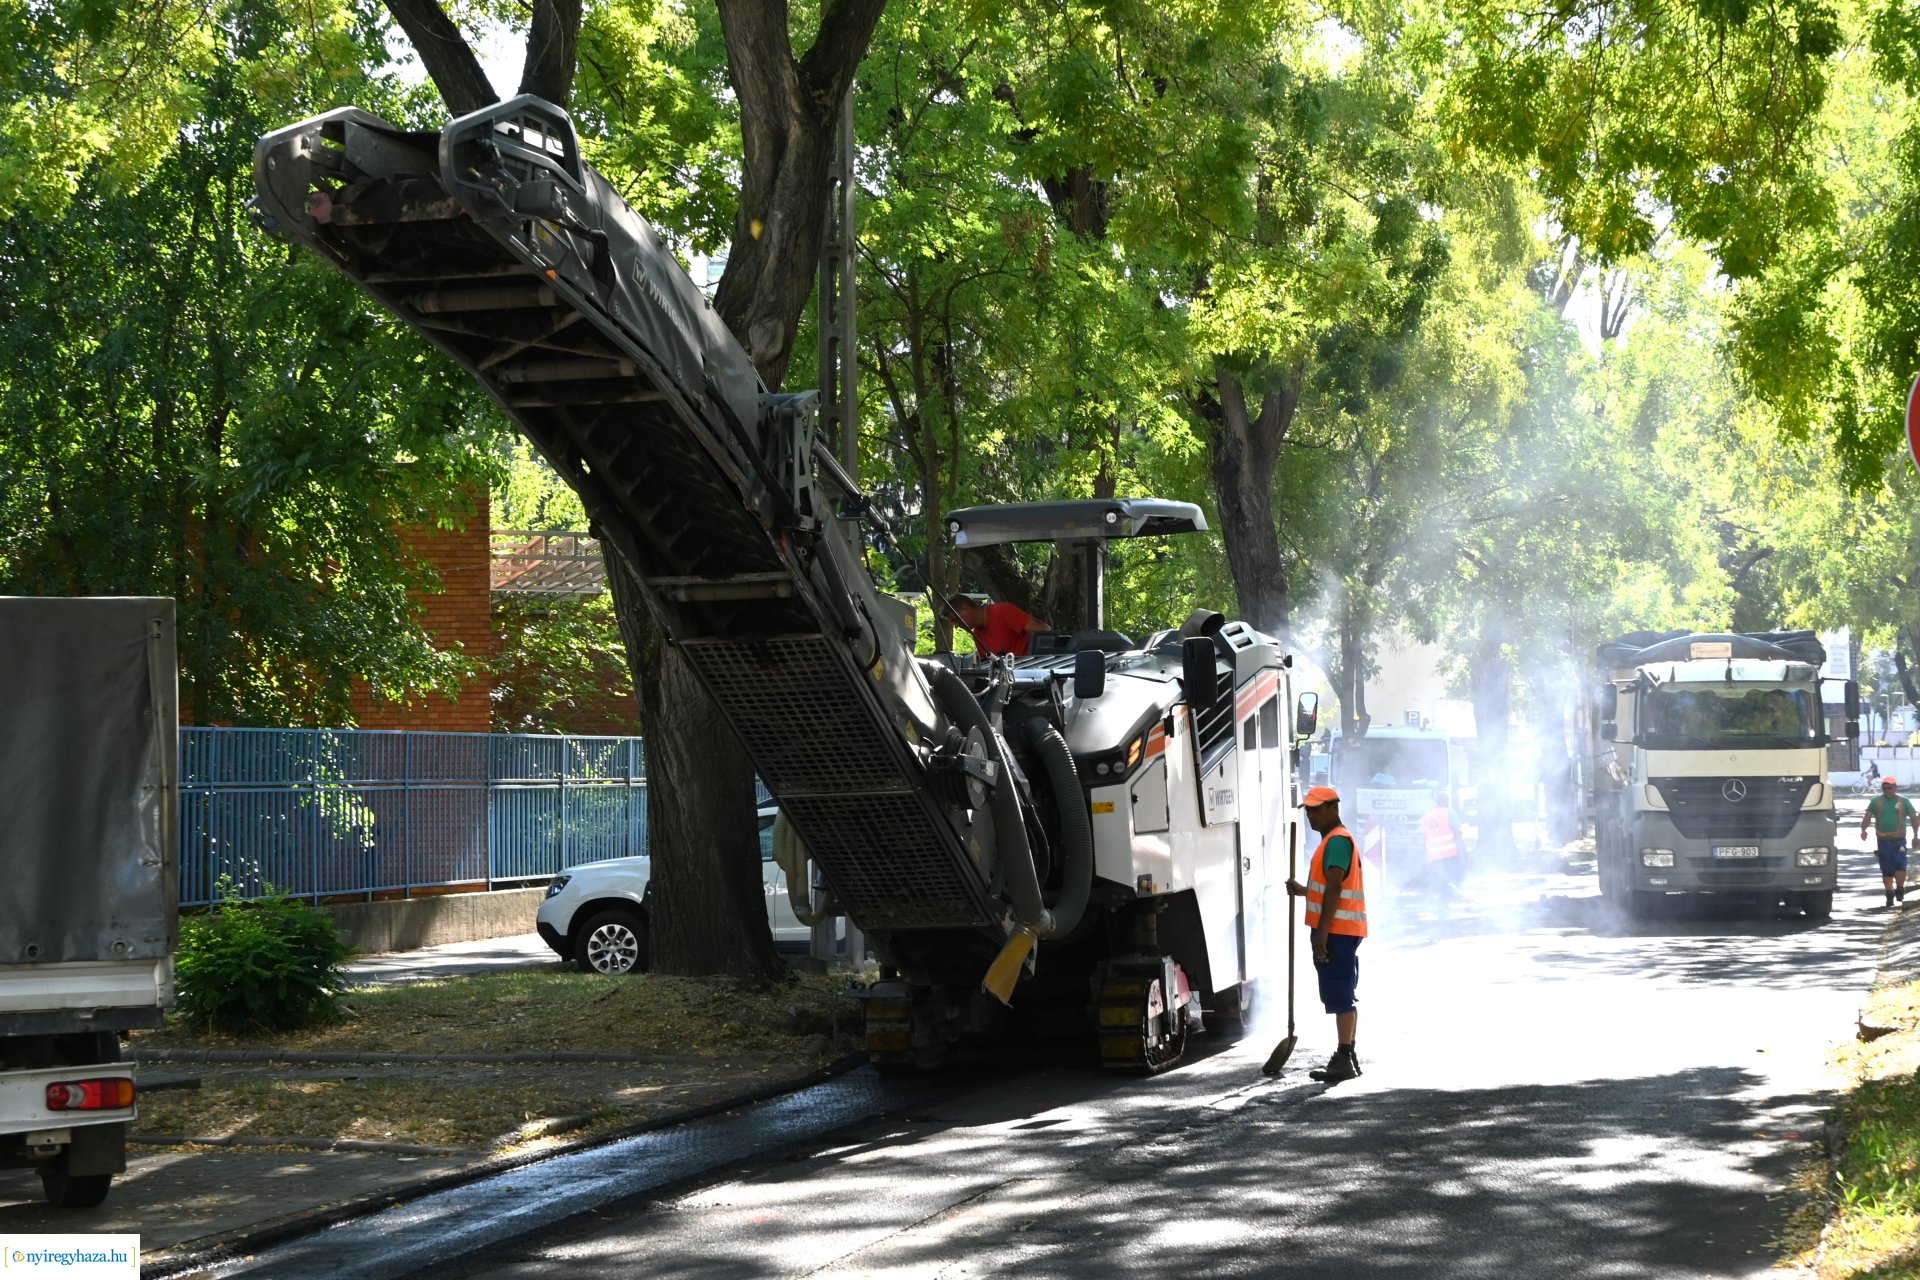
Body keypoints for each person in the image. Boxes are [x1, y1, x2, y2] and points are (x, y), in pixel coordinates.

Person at [1286, 785, 1368, 1084]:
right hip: (1340, 929)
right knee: (1341, 992)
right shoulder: (1334, 840)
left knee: (1340, 995)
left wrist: (1322, 931)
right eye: (1307, 810)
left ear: (1334, 807)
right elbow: (1331, 889)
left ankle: (1344, 1056)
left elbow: (1335, 888)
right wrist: (1304, 892)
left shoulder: (1336, 842)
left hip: (1336, 931)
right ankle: (1348, 1055)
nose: (1311, 815)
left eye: (1317, 809)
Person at [1860, 776, 1919, 907]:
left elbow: (1914, 818)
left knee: (1900, 864)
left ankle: (1899, 888)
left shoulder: (1904, 801)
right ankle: (1889, 893)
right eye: (1884, 788)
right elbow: (1867, 817)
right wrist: (1863, 830)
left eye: (1889, 788)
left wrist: (1916, 836)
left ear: (1895, 788)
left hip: (1899, 840)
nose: (1887, 790)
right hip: (1882, 842)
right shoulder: (1876, 801)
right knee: (1886, 868)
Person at [942, 596, 1050, 658]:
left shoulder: (1003, 612)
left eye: (955, 620)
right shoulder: (977, 635)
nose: (956, 627)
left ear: (966, 609)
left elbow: (1045, 630)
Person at [1420, 788, 1465, 917]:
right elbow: (1457, 835)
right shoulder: (1450, 814)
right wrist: (1461, 855)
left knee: (1440, 882)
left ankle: (1441, 905)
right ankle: (1444, 905)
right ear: (1447, 802)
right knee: (1451, 881)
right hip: (1450, 855)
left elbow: (1424, 840)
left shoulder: (1426, 817)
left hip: (1434, 856)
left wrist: (1427, 857)